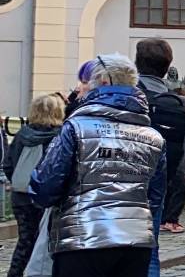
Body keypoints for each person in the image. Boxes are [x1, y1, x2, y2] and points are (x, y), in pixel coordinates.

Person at [28, 54, 165, 277]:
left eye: (85, 82)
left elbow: (45, 187)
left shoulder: (76, 127)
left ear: (103, 82)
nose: (81, 88)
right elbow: (155, 198)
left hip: (83, 238)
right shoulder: (153, 137)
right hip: (136, 241)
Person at [132, 39, 185, 236]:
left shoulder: (132, 96)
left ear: (137, 62)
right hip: (163, 179)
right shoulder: (177, 103)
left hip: (131, 180)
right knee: (150, 242)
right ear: (167, 67)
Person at [5, 94, 65, 277]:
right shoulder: (60, 135)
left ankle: (14, 273)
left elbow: (8, 164)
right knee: (48, 241)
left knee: (25, 240)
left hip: (21, 196)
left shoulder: (23, 134)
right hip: (47, 198)